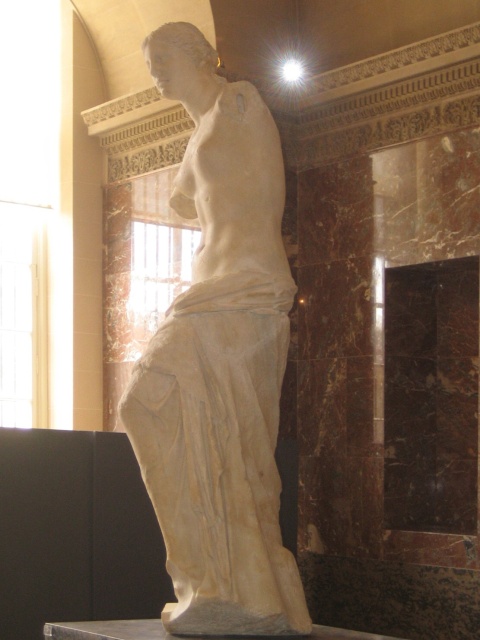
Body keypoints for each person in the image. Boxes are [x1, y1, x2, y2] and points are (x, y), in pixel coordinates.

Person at [119, 22, 312, 636]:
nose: (155, 73)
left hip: (245, 295)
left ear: (200, 56)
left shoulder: (240, 102)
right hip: (210, 299)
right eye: (149, 63)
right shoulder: (199, 132)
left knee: (232, 443)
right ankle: (215, 579)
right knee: (155, 409)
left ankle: (239, 588)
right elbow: (185, 197)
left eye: (163, 58)